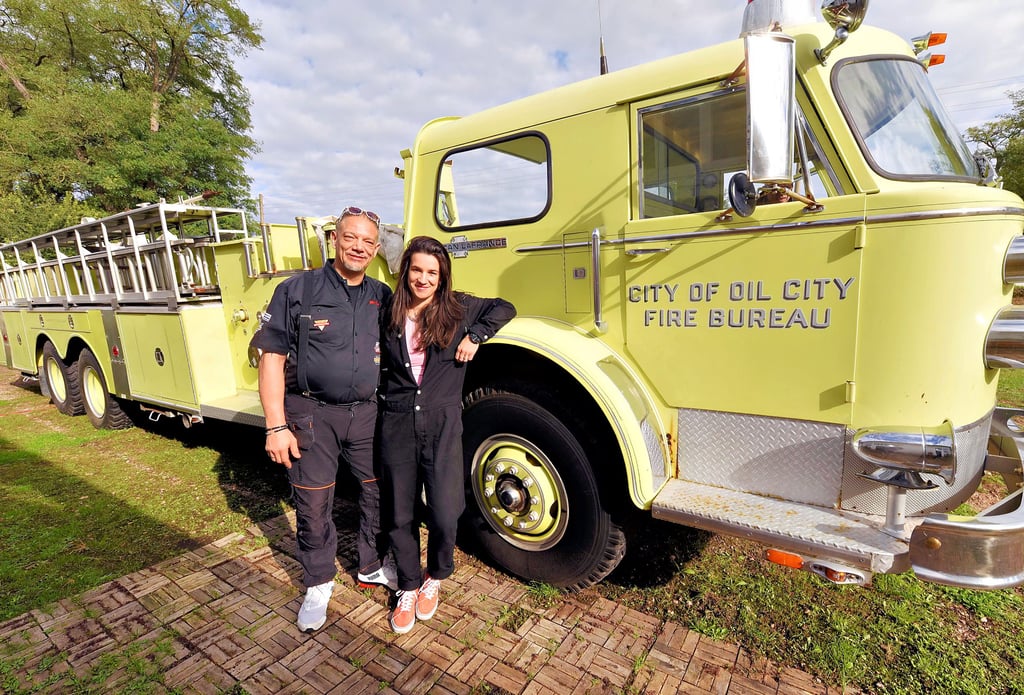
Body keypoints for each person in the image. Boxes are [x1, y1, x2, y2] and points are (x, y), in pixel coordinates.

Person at [250, 206, 396, 633]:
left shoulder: (381, 295)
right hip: (311, 414)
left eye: (369, 242)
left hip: (368, 414)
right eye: (351, 238)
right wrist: (275, 425)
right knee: (313, 503)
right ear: (335, 239)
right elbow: (271, 358)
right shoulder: (298, 290)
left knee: (378, 494)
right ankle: (318, 582)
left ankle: (370, 564)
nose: (360, 247)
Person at [378, 235, 516, 634]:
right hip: (398, 422)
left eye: (432, 273)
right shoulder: (389, 311)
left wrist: (476, 337)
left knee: (444, 509)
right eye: (417, 270)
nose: (423, 279)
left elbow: (505, 307)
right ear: (406, 271)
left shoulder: (457, 309)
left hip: (442, 425)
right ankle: (407, 584)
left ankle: (435, 576)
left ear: (442, 277)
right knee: (399, 512)